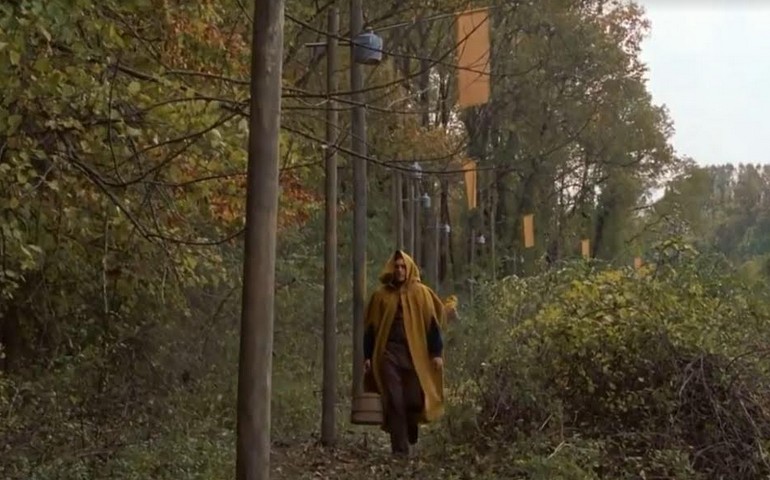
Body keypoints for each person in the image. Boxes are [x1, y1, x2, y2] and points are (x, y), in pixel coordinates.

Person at [363, 250, 446, 456]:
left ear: (409, 268)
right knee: (394, 400)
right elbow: (371, 328)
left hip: (415, 354)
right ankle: (399, 451)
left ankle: (411, 423)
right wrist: (367, 356)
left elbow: (432, 324)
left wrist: (436, 352)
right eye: (396, 266)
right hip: (389, 354)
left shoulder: (421, 293)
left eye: (403, 266)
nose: (399, 270)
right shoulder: (381, 296)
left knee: (414, 399)